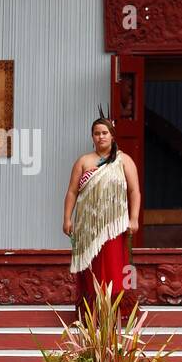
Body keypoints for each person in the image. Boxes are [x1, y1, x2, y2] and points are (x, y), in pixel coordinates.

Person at [63, 115, 140, 315]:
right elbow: (72, 191)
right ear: (92, 137)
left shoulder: (124, 161)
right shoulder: (83, 161)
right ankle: (90, 313)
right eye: (96, 133)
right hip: (87, 227)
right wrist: (67, 218)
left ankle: (115, 312)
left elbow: (134, 191)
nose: (100, 137)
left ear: (112, 136)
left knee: (114, 267)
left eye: (104, 133)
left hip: (114, 226)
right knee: (91, 269)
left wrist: (133, 218)